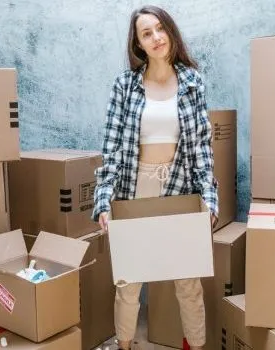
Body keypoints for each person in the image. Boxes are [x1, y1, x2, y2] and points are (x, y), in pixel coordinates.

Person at [91, 5, 218, 350]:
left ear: (170, 32)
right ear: (138, 44)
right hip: (137, 189)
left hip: (181, 189)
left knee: (187, 281)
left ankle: (194, 345)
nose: (156, 37)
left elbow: (202, 148)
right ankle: (125, 344)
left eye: (160, 29)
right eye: (146, 33)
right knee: (129, 281)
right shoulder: (125, 85)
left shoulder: (192, 82)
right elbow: (112, 146)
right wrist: (104, 198)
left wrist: (208, 198)